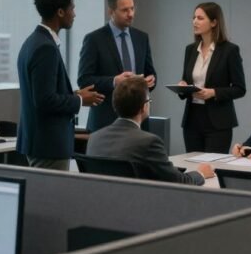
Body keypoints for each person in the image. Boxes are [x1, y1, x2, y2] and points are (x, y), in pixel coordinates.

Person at [16, 0, 103, 171]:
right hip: (48, 145)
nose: (75, 14)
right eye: (72, 8)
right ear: (60, 12)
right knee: (50, 200)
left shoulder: (33, 41)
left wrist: (73, 94)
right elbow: (44, 100)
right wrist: (80, 100)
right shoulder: (45, 48)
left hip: (40, 142)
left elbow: (43, 92)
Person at [86, 77, 214, 185]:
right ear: (144, 107)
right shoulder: (148, 142)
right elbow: (178, 182)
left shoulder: (94, 138)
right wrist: (201, 173)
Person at [77, 0, 157, 132]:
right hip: (105, 121)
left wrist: (150, 80)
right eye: (124, 10)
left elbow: (150, 72)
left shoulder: (141, 38)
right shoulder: (94, 39)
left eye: (132, 8)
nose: (131, 14)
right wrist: (114, 81)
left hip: (138, 121)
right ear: (111, 12)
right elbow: (84, 80)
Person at [176, 2, 246, 153]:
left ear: (214, 22)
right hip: (192, 119)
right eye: (194, 17)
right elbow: (186, 80)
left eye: (200, 18)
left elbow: (240, 89)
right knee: (193, 166)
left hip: (218, 121)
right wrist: (183, 87)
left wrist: (213, 92)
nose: (195, 21)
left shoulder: (229, 50)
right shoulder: (190, 49)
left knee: (212, 168)